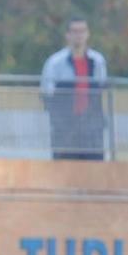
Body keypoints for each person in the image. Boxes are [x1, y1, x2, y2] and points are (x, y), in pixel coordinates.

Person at [39, 17, 108, 161]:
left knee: (94, 171)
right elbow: (47, 94)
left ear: (88, 34)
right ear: (67, 35)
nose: (79, 35)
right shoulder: (55, 63)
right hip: (65, 129)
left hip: (91, 129)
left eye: (82, 31)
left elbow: (102, 90)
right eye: (75, 31)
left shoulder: (97, 61)